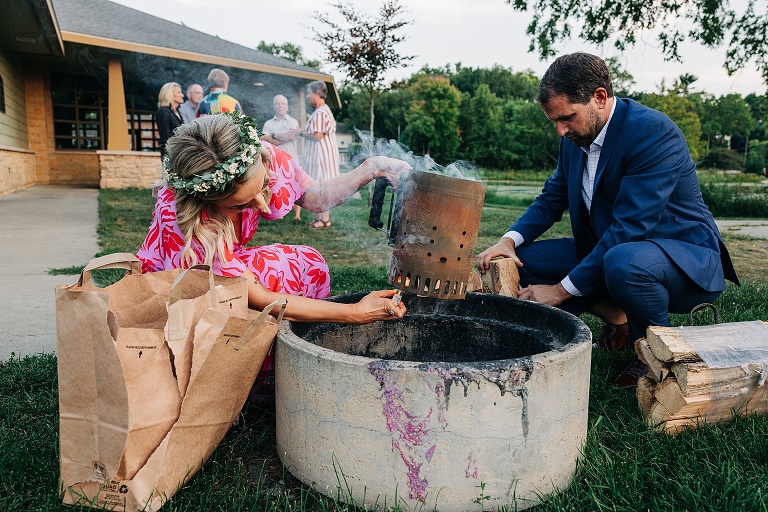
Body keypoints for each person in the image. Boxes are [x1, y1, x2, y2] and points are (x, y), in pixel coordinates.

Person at [475, 52, 739, 388]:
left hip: (684, 262)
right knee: (525, 262)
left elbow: (630, 228)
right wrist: (508, 241)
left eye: (567, 117)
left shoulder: (653, 133)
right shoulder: (575, 138)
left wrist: (558, 291)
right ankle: (616, 316)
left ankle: (654, 356)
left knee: (624, 261)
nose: (560, 130)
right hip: (614, 252)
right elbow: (551, 200)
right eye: (554, 121)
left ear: (599, 98)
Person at [138, 111, 410, 324]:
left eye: (263, 185)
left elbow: (316, 197)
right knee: (240, 310)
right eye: (242, 205)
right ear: (208, 201)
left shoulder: (252, 156)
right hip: (184, 286)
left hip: (229, 265)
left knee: (308, 263)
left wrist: (372, 168)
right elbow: (261, 298)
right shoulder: (190, 224)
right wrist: (354, 312)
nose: (262, 203)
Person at [292, 80, 339, 229]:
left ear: (318, 94)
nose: (307, 96)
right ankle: (319, 218)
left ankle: (324, 220)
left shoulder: (320, 113)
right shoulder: (321, 111)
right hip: (319, 156)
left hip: (322, 157)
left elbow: (317, 136)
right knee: (319, 187)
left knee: (323, 187)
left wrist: (301, 132)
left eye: (309, 93)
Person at [261, 94, 302, 221]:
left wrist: (273, 136)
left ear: (287, 106)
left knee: (295, 187)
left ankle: (297, 215)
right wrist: (280, 137)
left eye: (283, 104)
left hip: (291, 159)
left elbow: (292, 137)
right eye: (278, 104)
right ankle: (280, 214)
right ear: (274, 106)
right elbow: (264, 139)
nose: (280, 106)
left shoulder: (293, 122)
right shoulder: (268, 123)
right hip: (275, 161)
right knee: (276, 187)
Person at [156, 82, 184, 157]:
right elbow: (165, 138)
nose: (182, 95)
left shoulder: (177, 112)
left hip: (179, 153)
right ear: (170, 95)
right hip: (170, 155)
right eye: (179, 92)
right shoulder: (163, 112)